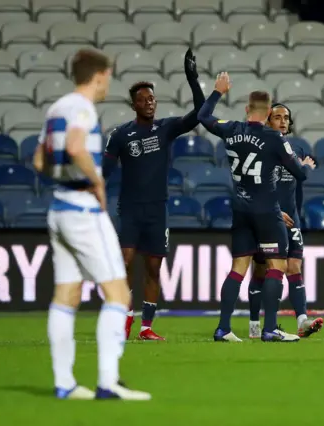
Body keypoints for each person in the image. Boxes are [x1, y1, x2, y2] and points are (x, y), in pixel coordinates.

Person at [33, 49, 150, 400]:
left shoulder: (57, 108)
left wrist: (65, 177)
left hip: (59, 207)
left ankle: (64, 383)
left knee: (66, 295)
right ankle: (108, 381)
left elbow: (39, 160)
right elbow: (75, 146)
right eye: (108, 77)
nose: (108, 84)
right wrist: (95, 183)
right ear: (99, 76)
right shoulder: (82, 108)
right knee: (117, 292)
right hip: (83, 209)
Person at [198, 72, 316, 342]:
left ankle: (223, 328)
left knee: (238, 267)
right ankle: (271, 328)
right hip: (267, 211)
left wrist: (218, 92)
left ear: (246, 109)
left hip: (240, 209)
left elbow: (203, 117)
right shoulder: (275, 138)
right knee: (277, 265)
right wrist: (307, 166)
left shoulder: (230, 129)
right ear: (267, 112)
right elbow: (301, 175)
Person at [102, 48, 205, 341]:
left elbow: (198, 114)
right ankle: (124, 316)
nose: (150, 103)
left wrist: (192, 79)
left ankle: (146, 328)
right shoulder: (120, 135)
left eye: (152, 99)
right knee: (123, 262)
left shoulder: (166, 128)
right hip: (131, 209)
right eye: (144, 100)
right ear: (133, 105)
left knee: (154, 268)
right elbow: (106, 170)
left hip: (158, 210)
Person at [248, 103, 324, 339]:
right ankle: (254, 324)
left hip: (292, 218)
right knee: (261, 270)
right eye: (277, 117)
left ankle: (302, 320)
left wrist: (296, 213)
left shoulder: (297, 148)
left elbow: (299, 181)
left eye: (286, 118)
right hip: (267, 218)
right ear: (268, 121)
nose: (282, 121)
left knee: (294, 266)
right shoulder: (259, 148)